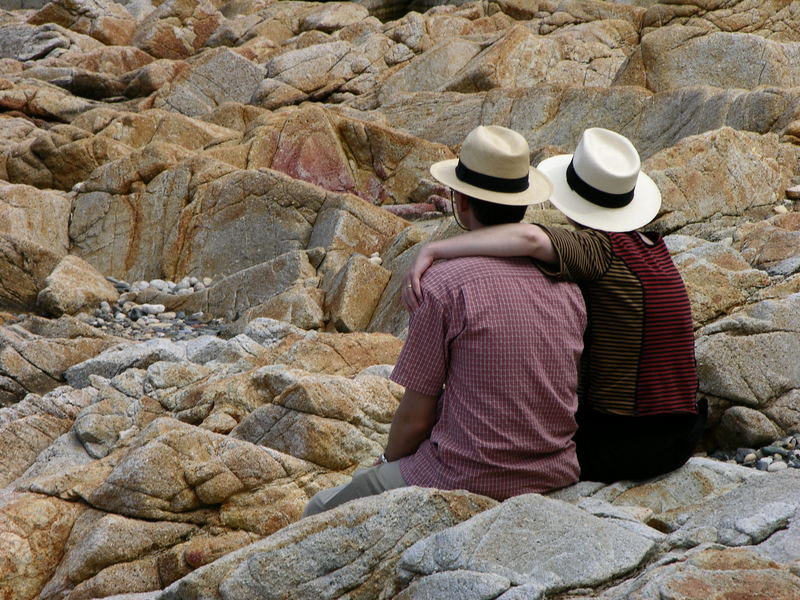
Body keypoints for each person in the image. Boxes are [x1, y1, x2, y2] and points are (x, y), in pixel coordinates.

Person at [303, 125, 586, 517]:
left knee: (321, 508)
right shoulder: (567, 283)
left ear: (461, 202)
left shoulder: (442, 285)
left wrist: (387, 464)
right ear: (523, 202)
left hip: (463, 475)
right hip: (555, 472)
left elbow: (416, 418)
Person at [404, 127, 707, 484]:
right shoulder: (653, 249)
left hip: (622, 443)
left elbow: (531, 238)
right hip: (681, 432)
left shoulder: (597, 249)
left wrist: (434, 249)